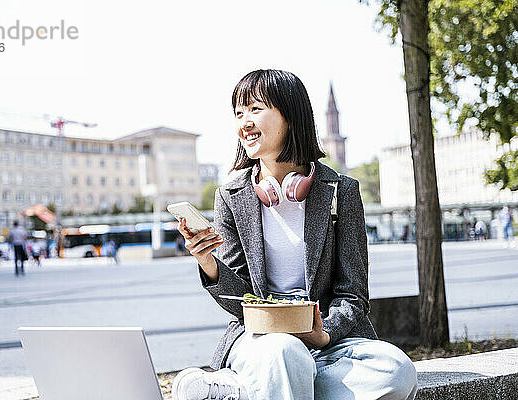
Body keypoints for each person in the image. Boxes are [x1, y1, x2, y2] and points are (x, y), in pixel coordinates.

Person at [172, 70, 417, 400]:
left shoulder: (340, 191)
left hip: (326, 344)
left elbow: (353, 293)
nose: (244, 122)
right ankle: (278, 377)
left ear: (291, 116)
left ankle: (246, 390)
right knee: (285, 353)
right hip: (261, 341)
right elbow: (238, 303)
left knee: (396, 371)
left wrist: (323, 335)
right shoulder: (231, 197)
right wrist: (207, 262)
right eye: (238, 112)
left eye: (255, 109)